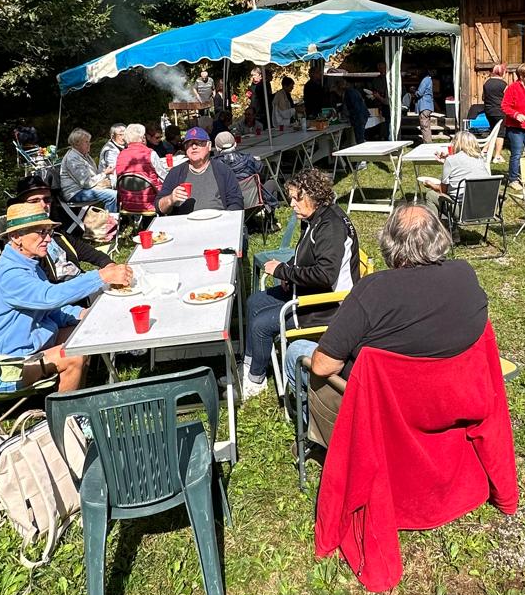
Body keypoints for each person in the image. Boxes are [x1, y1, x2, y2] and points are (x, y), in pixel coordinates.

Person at [297, 204, 490, 446]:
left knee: (297, 352)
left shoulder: (372, 290)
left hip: (384, 406)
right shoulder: (464, 274)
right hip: (448, 398)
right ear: (439, 237)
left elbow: (323, 366)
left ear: (390, 245)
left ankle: (319, 441)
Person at [0, 202, 129, 395]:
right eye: (41, 233)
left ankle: (74, 393)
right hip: (3, 368)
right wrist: (100, 276)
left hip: (29, 349)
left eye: (49, 232)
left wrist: (82, 313)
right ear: (16, 237)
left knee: (85, 333)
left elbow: (50, 309)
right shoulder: (9, 276)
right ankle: (68, 417)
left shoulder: (30, 265)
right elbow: (49, 297)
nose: (48, 239)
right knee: (74, 354)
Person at [241, 167, 360, 400]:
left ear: (313, 196)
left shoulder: (331, 227)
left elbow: (326, 275)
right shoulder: (315, 218)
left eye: (297, 198)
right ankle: (249, 365)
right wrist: (289, 273)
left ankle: (255, 382)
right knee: (254, 302)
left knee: (261, 325)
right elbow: (307, 256)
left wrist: (284, 270)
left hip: (329, 305)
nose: (292, 204)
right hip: (308, 290)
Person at [10, 176, 111, 274]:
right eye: (34, 201)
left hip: (79, 281)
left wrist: (107, 263)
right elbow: (44, 286)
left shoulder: (56, 230)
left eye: (47, 200)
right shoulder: (23, 240)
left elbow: (82, 249)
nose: (43, 205)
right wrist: (98, 278)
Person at [156, 127, 246, 214]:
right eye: (189, 144)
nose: (194, 147)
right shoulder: (176, 173)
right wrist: (170, 199)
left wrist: (226, 218)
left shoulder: (222, 170)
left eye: (199, 143)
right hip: (185, 225)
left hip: (217, 223)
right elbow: (159, 207)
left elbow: (236, 201)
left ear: (209, 146)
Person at [421, 129, 492, 226]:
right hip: (485, 209)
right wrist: (446, 162)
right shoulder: (480, 159)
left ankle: (434, 229)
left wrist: (430, 184)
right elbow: (465, 168)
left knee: (431, 195)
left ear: (457, 143)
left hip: (463, 211)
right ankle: (453, 231)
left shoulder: (451, 160)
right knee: (450, 195)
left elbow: (443, 190)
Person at [59, 128, 118, 214]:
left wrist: (105, 175)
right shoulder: (72, 158)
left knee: (115, 186)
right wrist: (104, 173)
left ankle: (121, 219)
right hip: (75, 193)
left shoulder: (84, 155)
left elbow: (92, 176)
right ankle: (110, 223)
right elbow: (86, 183)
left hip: (83, 189)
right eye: (86, 142)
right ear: (77, 144)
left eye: (89, 141)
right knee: (112, 195)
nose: (89, 144)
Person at [114, 122, 165, 214]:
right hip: (152, 202)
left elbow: (116, 180)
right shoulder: (150, 154)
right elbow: (164, 176)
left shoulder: (120, 155)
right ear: (142, 138)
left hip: (127, 204)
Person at [481, 64, 509, 133]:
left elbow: (483, 97)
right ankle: (499, 144)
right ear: (502, 73)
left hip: (489, 111)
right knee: (500, 133)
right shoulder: (504, 84)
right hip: (500, 111)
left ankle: (492, 144)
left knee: (493, 131)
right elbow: (508, 99)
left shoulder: (486, 83)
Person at [414, 69, 435, 145]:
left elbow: (420, 93)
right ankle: (427, 142)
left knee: (424, 126)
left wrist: (414, 91)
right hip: (428, 106)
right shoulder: (429, 80)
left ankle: (427, 143)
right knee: (426, 126)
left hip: (424, 105)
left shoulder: (425, 80)